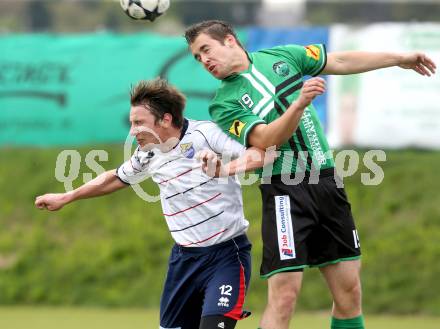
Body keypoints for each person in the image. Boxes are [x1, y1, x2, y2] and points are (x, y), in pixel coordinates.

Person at [184, 20, 436, 329]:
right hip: (284, 192)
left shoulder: (283, 57)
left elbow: (341, 60)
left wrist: (399, 59)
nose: (204, 61)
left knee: (349, 292)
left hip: (327, 182)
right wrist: (299, 103)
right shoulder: (224, 103)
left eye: (206, 50)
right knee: (285, 297)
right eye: (197, 57)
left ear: (230, 41)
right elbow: (266, 140)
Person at [35, 78, 281, 329]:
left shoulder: (206, 134)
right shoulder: (148, 153)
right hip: (183, 261)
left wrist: (224, 169)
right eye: (132, 123)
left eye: (139, 123)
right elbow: (116, 178)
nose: (132, 131)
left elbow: (261, 153)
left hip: (226, 256)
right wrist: (68, 196)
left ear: (165, 119)